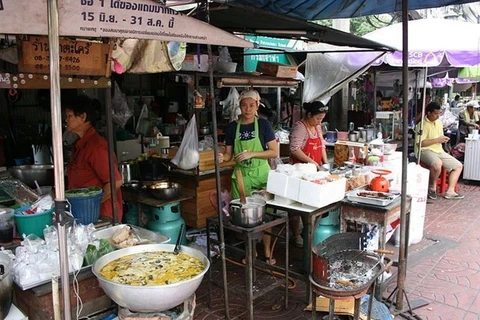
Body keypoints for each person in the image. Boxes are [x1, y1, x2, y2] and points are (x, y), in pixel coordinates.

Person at [220, 89, 279, 264]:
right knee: (244, 219)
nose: (247, 109)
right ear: (239, 106)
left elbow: (274, 152)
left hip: (262, 176)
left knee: (265, 216)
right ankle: (250, 251)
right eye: (244, 105)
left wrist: (251, 154)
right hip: (241, 178)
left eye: (251, 105)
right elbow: (229, 154)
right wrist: (222, 157)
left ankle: (267, 251)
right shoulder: (232, 127)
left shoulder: (264, 125)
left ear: (257, 105)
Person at [65, 95, 124, 222]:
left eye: (69, 116)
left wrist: (92, 204)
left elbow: (116, 182)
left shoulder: (96, 147)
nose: (66, 120)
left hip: (101, 215)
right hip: (84, 214)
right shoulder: (80, 145)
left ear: (82, 117)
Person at [288, 101, 328, 247]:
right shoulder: (300, 127)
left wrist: (324, 163)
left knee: (309, 204)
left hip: (313, 173)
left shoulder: (316, 127)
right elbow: (294, 149)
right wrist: (312, 162)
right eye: (317, 118)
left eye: (321, 119)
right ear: (309, 115)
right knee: (295, 206)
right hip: (298, 173)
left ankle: (307, 232)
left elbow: (322, 145)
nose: (319, 122)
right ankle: (296, 235)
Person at [415, 102, 463, 200]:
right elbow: (420, 143)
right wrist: (437, 140)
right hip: (424, 150)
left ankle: (450, 191)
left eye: (439, 114)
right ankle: (432, 187)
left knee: (458, 166)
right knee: (437, 164)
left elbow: (439, 138)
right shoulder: (422, 125)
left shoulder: (439, 123)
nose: (438, 116)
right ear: (429, 113)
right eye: (436, 114)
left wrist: (442, 139)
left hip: (438, 150)